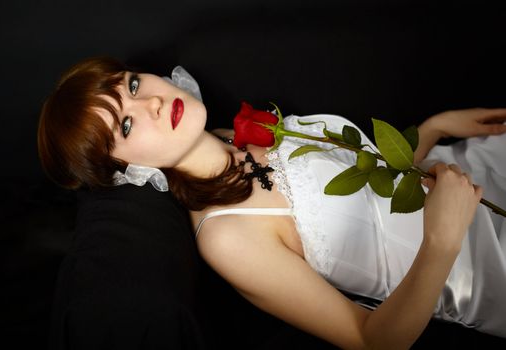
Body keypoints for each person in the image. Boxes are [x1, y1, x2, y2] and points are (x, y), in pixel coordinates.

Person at [38, 56, 506, 349]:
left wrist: (435, 128)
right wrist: (442, 242)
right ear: (126, 174)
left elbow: (370, 182)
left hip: (463, 172)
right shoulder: (227, 238)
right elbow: (373, 340)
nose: (152, 104)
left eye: (133, 86)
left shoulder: (231, 135)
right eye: (125, 126)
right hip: (481, 266)